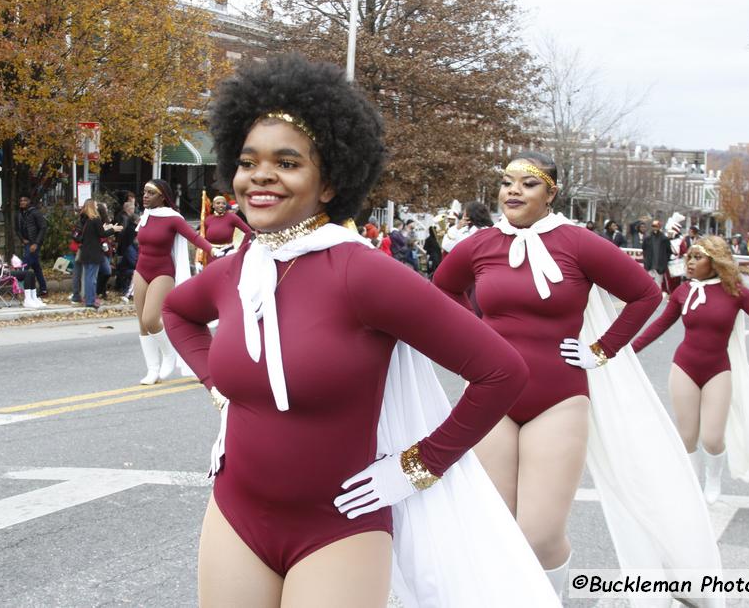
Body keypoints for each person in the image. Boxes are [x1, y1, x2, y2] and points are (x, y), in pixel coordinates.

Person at [162, 54, 554, 607]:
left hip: (338, 530)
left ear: (330, 183)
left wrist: (418, 467)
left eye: (288, 162)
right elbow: (177, 314)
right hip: (234, 516)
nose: (261, 176)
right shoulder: (236, 270)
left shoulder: (362, 272)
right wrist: (216, 389)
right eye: (248, 162)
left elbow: (501, 371)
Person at [433, 152, 721, 599]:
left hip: (558, 398)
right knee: (496, 525)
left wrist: (602, 349)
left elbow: (645, 294)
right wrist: (472, 340)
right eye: (507, 182)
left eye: (528, 184)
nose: (513, 190)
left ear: (551, 194)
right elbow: (442, 290)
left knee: (540, 534)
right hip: (491, 399)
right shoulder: (480, 244)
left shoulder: (576, 241)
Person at [632, 236, 749, 503]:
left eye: (697, 258)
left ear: (714, 262)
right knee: (687, 437)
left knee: (712, 438)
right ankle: (692, 488)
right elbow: (659, 326)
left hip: (717, 371)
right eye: (689, 257)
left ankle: (713, 480)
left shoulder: (736, 292)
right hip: (684, 368)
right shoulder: (683, 292)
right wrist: (627, 351)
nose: (690, 263)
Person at [133, 178, 215, 385]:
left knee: (151, 319)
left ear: (162, 196)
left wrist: (213, 250)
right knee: (142, 324)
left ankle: (169, 354)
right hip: (141, 271)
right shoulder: (145, 215)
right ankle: (152, 370)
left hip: (162, 272)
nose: (145, 196)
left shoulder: (173, 218)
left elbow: (194, 237)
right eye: (144, 192)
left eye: (150, 193)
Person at [0, 233, 46, 309]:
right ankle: (28, 300)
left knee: (31, 273)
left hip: (4, 272)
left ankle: (33, 298)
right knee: (28, 273)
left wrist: (4, 265)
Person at [76, 199, 121, 310]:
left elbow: (93, 233)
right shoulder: (95, 219)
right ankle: (91, 301)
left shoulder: (85, 219)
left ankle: (88, 299)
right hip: (94, 252)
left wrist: (105, 228)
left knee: (88, 277)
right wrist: (113, 229)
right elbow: (102, 234)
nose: (97, 207)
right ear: (92, 207)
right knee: (92, 278)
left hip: (85, 252)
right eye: (95, 205)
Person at [202, 195, 253, 263]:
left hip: (227, 253)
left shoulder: (232, 217)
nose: (221, 205)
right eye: (218, 203)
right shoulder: (208, 219)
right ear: (213, 205)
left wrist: (240, 249)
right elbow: (202, 238)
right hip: (212, 254)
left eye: (223, 203)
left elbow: (248, 232)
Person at [16, 194, 48, 297]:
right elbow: (17, 228)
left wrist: (36, 243)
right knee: (36, 267)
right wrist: (22, 239)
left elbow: (43, 227)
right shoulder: (20, 214)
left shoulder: (35, 213)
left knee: (24, 265)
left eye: (25, 200)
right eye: (21, 200)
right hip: (27, 243)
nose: (22, 202)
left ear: (29, 201)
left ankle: (18, 287)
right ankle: (43, 289)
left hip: (34, 243)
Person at [642, 218, 671, 289]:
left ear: (659, 227)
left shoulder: (664, 239)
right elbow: (644, 249)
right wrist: (646, 260)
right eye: (653, 226)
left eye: (656, 226)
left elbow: (669, 252)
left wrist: (665, 262)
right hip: (649, 264)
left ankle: (657, 298)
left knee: (658, 285)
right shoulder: (647, 239)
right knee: (648, 284)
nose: (654, 228)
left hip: (660, 266)